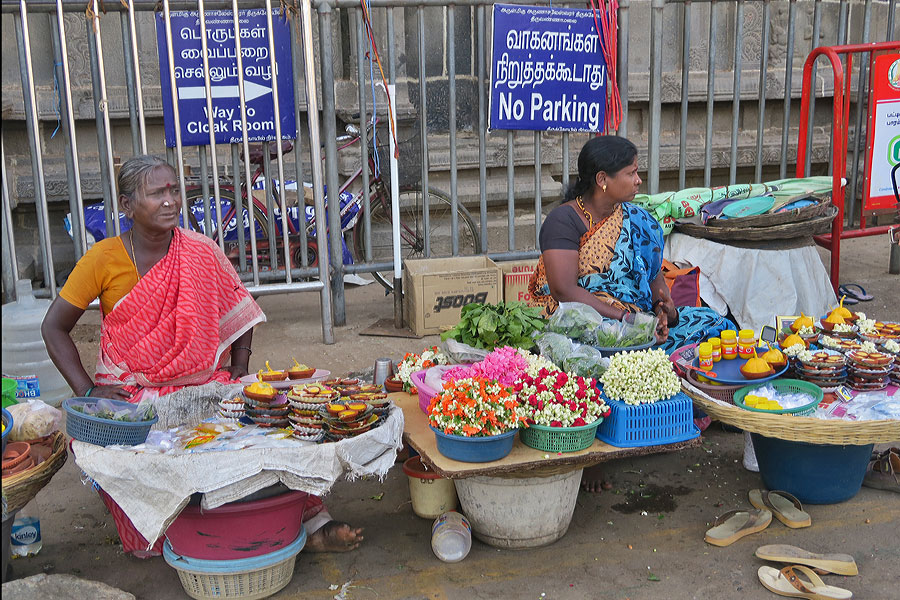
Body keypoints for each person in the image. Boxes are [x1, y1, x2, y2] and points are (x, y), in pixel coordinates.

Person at [42, 155, 363, 554]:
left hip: (204, 384)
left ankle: (314, 520)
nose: (170, 200)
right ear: (126, 206)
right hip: (134, 393)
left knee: (271, 426)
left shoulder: (199, 250)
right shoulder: (103, 258)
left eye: (174, 190)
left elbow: (240, 308)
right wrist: (90, 392)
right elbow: (54, 327)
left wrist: (239, 370)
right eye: (156, 193)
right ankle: (165, 532)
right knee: (109, 447)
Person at [528, 136, 734, 492]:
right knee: (581, 362)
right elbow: (564, 291)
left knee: (716, 326)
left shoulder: (638, 220)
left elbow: (655, 277)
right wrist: (621, 320)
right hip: (582, 321)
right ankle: (593, 453)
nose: (639, 180)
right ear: (603, 179)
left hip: (638, 322)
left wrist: (662, 308)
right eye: (632, 172)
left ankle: (685, 417)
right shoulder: (564, 221)